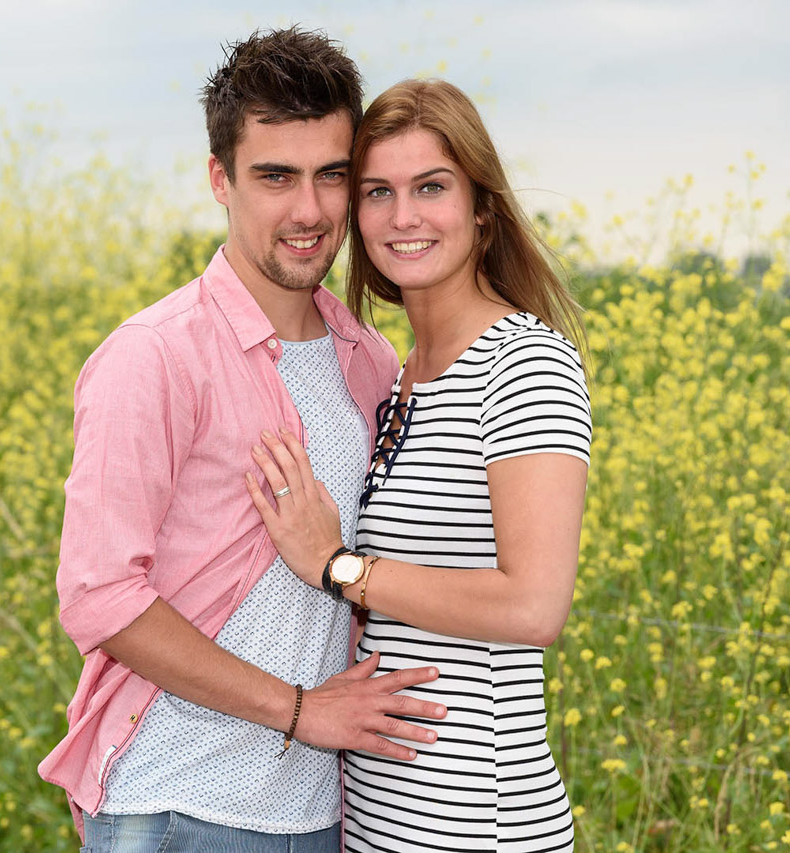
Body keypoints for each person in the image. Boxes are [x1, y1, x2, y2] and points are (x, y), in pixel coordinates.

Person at [38, 29, 447, 852]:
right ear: (220, 178)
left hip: (320, 816)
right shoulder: (154, 356)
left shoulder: (370, 361)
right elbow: (99, 595)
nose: (309, 211)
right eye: (275, 176)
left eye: (332, 174)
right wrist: (300, 709)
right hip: (174, 810)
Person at [246, 79, 591, 852]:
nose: (403, 217)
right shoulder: (400, 374)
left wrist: (337, 565)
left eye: (431, 187)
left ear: (481, 207)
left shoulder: (523, 365)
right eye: (378, 192)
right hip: (382, 818)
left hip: (477, 820)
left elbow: (535, 606)